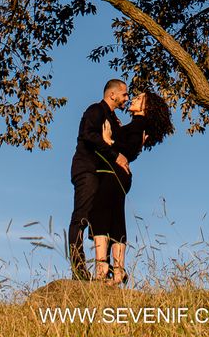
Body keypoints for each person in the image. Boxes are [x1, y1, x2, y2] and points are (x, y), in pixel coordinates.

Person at [88, 90, 173, 284]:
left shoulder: (138, 124)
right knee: (116, 217)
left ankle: (102, 269)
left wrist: (109, 141)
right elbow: (133, 148)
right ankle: (117, 271)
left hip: (113, 174)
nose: (133, 99)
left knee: (100, 213)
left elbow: (128, 149)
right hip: (118, 175)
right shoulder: (136, 125)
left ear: (146, 107)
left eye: (139, 98)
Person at [68, 79, 131, 280]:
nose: (126, 99)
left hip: (101, 175)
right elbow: (88, 135)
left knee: (100, 221)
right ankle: (78, 271)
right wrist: (114, 154)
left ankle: (106, 268)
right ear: (112, 94)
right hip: (87, 169)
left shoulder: (113, 119)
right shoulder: (95, 110)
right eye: (124, 94)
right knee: (81, 218)